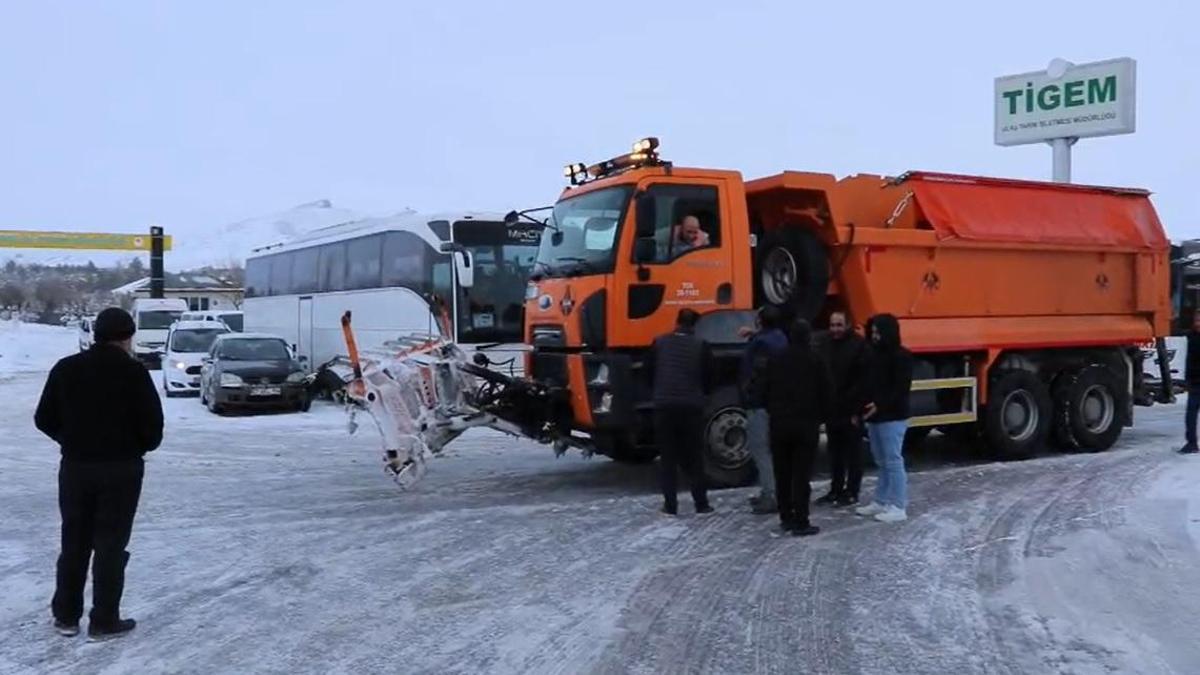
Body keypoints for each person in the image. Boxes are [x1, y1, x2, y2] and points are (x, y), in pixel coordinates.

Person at [34, 307, 164, 640]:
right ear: (127, 336)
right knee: (110, 545)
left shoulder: (66, 369)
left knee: (74, 541)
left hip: (76, 468)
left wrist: (71, 440)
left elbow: (43, 418)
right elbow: (153, 430)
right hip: (122, 471)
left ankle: (65, 616)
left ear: (96, 334)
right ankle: (104, 619)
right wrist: (133, 446)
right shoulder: (134, 373)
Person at [762, 318, 832, 536]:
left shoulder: (775, 359)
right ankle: (802, 520)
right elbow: (827, 392)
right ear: (808, 336)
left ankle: (786, 517)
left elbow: (763, 390)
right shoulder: (816, 360)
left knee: (782, 473)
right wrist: (820, 416)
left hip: (780, 424)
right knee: (801, 475)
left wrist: (774, 410)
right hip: (806, 425)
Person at [647, 308, 713, 515]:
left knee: (668, 458)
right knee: (694, 457)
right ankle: (701, 503)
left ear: (676, 322)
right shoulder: (701, 346)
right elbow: (710, 377)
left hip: (664, 407)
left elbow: (648, 371)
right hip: (691, 407)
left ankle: (670, 505)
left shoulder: (659, 343)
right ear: (694, 326)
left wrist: (659, 391)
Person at [855, 313, 914, 523]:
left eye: (878, 332)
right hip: (876, 416)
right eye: (872, 332)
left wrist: (879, 404)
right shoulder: (873, 355)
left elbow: (900, 389)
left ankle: (898, 505)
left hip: (893, 417)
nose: (874, 336)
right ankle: (880, 500)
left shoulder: (902, 357)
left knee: (893, 460)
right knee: (881, 461)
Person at [814, 311, 869, 507]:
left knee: (853, 453)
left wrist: (855, 410)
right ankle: (836, 489)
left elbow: (862, 381)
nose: (835, 329)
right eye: (832, 325)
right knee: (834, 452)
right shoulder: (826, 344)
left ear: (847, 325)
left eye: (839, 325)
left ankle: (852, 491)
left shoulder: (858, 345)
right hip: (832, 408)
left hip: (850, 409)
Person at [738, 306, 788, 514]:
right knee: (773, 450)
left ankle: (770, 495)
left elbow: (757, 375)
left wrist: (748, 395)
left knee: (760, 449)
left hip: (759, 404)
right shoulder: (780, 338)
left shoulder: (760, 345)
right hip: (776, 403)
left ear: (760, 322)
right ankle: (773, 491)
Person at [1182, 312, 1200, 454]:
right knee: (1191, 414)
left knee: (1191, 413)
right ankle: (1191, 443)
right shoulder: (1191, 336)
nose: (1197, 322)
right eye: (1196, 319)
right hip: (1194, 381)